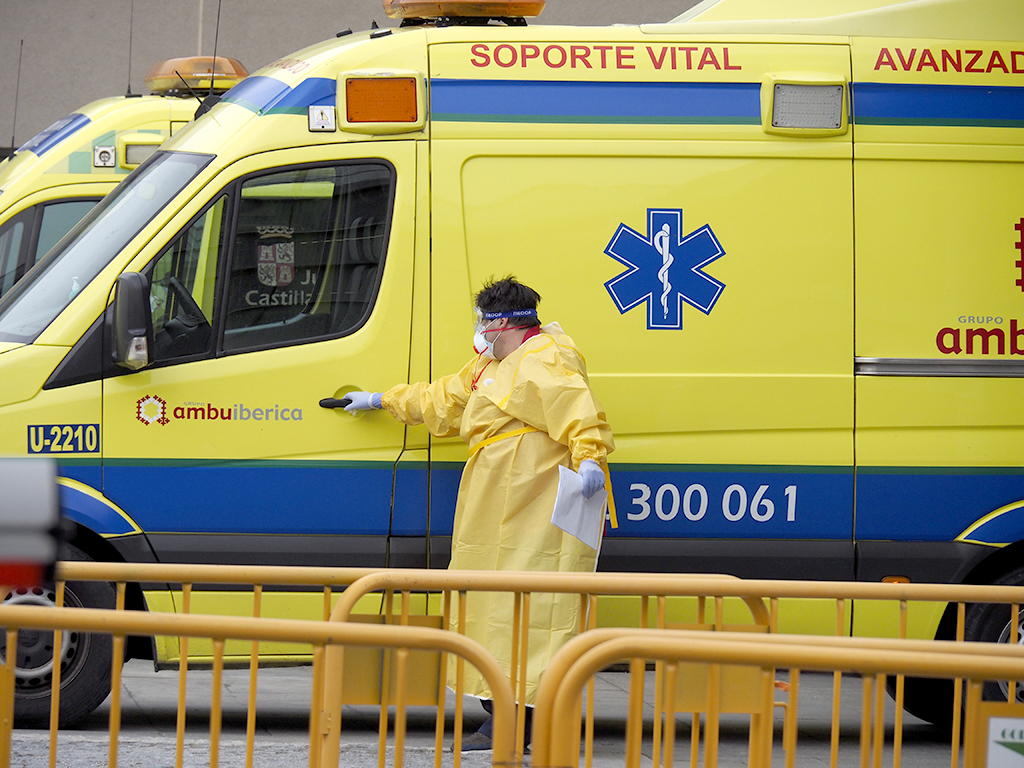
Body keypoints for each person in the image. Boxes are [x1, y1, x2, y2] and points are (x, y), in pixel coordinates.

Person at [344, 276, 614, 750]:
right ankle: (500, 714)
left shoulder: (545, 358)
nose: (479, 329)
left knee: (526, 607)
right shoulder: (492, 363)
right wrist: (378, 400)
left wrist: (590, 456)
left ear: (502, 322)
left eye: (484, 321)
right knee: (489, 604)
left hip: (533, 504)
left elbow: (576, 407)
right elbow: (443, 399)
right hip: (495, 505)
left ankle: (518, 723)